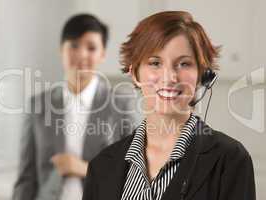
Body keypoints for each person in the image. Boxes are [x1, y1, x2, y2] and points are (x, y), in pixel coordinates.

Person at [82, 11, 256, 200]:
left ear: (202, 75)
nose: (170, 77)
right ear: (135, 74)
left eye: (184, 64)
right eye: (155, 63)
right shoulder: (101, 166)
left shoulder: (230, 160)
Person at [12, 14, 135, 200]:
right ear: (61, 49)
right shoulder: (38, 105)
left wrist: (84, 168)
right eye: (74, 45)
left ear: (102, 54)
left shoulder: (121, 106)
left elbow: (135, 176)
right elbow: (26, 178)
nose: (82, 54)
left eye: (91, 47)